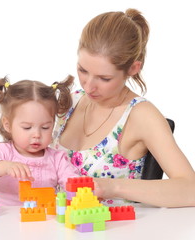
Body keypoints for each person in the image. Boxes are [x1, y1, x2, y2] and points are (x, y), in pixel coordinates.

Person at [51, 8, 195, 207]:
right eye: (83, 70)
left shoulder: (141, 115)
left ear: (133, 68)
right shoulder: (71, 102)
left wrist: (112, 187)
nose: (88, 86)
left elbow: (190, 190)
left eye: (104, 78)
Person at [0, 76, 80, 206]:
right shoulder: (5, 153)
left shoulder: (57, 159)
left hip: (44, 220)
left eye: (45, 127)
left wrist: (84, 190)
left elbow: (73, 182)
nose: (37, 135)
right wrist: (5, 166)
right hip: (5, 220)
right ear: (7, 125)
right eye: (27, 127)